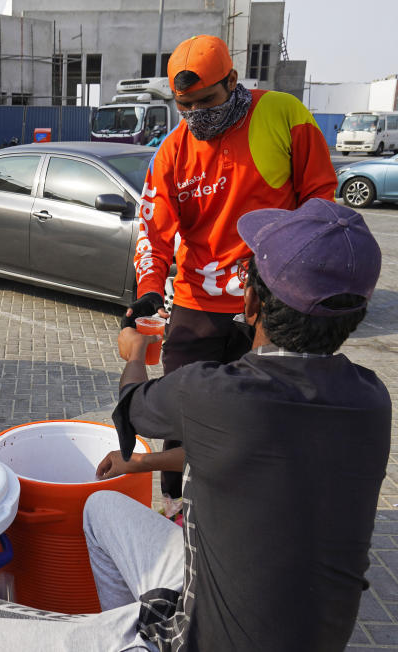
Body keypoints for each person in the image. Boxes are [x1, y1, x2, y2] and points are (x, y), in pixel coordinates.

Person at [0, 197, 390, 652]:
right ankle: (122, 629)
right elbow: (245, 451)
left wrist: (134, 353)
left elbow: (132, 405)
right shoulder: (371, 400)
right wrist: (143, 464)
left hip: (206, 642)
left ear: (251, 303)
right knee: (101, 510)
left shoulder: (218, 392)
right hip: (308, 633)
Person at [124, 34, 337, 498]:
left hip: (268, 308)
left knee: (262, 416)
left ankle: (248, 506)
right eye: (185, 107)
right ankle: (177, 509)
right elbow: (153, 233)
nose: (197, 115)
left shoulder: (284, 115)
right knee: (182, 417)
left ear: (233, 80)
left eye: (207, 101)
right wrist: (148, 288)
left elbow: (322, 202)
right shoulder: (171, 152)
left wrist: (299, 280)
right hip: (196, 307)